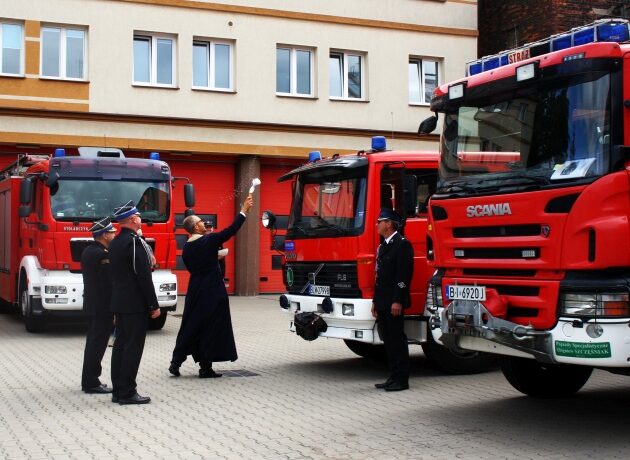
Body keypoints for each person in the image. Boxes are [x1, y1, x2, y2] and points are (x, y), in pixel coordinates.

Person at [169, 195, 253, 378]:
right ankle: (205, 367)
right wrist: (244, 211)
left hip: (195, 290)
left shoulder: (187, 248)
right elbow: (231, 230)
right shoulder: (209, 241)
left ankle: (177, 361)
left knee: (191, 325)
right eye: (200, 222)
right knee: (211, 327)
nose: (203, 224)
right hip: (212, 291)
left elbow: (198, 264)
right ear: (195, 227)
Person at [108, 201, 161, 405]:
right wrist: (153, 304)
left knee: (120, 346)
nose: (140, 218)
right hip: (134, 304)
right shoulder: (133, 243)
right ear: (132, 219)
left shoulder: (115, 242)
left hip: (120, 302)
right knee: (132, 348)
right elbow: (143, 276)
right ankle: (128, 392)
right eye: (138, 215)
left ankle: (118, 391)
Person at [372, 208, 414, 392]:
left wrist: (398, 301)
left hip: (393, 302)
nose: (377, 224)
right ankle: (392, 376)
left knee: (397, 340)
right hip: (382, 301)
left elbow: (403, 276)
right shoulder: (383, 246)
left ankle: (402, 379)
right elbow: (379, 277)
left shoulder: (402, 244)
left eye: (379, 221)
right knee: (388, 341)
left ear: (388, 224)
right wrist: (375, 301)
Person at [80, 217, 116, 394]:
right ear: (104, 235)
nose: (114, 234)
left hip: (93, 304)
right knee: (97, 344)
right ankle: (91, 382)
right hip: (102, 306)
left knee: (93, 342)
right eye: (111, 232)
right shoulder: (103, 254)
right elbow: (108, 284)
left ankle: (90, 379)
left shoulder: (89, 250)